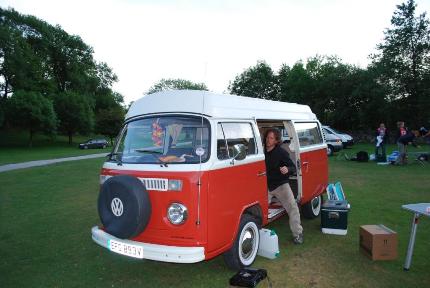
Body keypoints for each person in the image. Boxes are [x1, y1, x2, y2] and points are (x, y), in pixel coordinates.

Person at [264, 128, 303, 244]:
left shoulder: (281, 152)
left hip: (281, 185)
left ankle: (298, 234)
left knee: (293, 207)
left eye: (271, 138)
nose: (268, 140)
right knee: (258, 211)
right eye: (267, 137)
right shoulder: (261, 152)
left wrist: (287, 169)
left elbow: (293, 167)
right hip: (265, 186)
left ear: (276, 141)